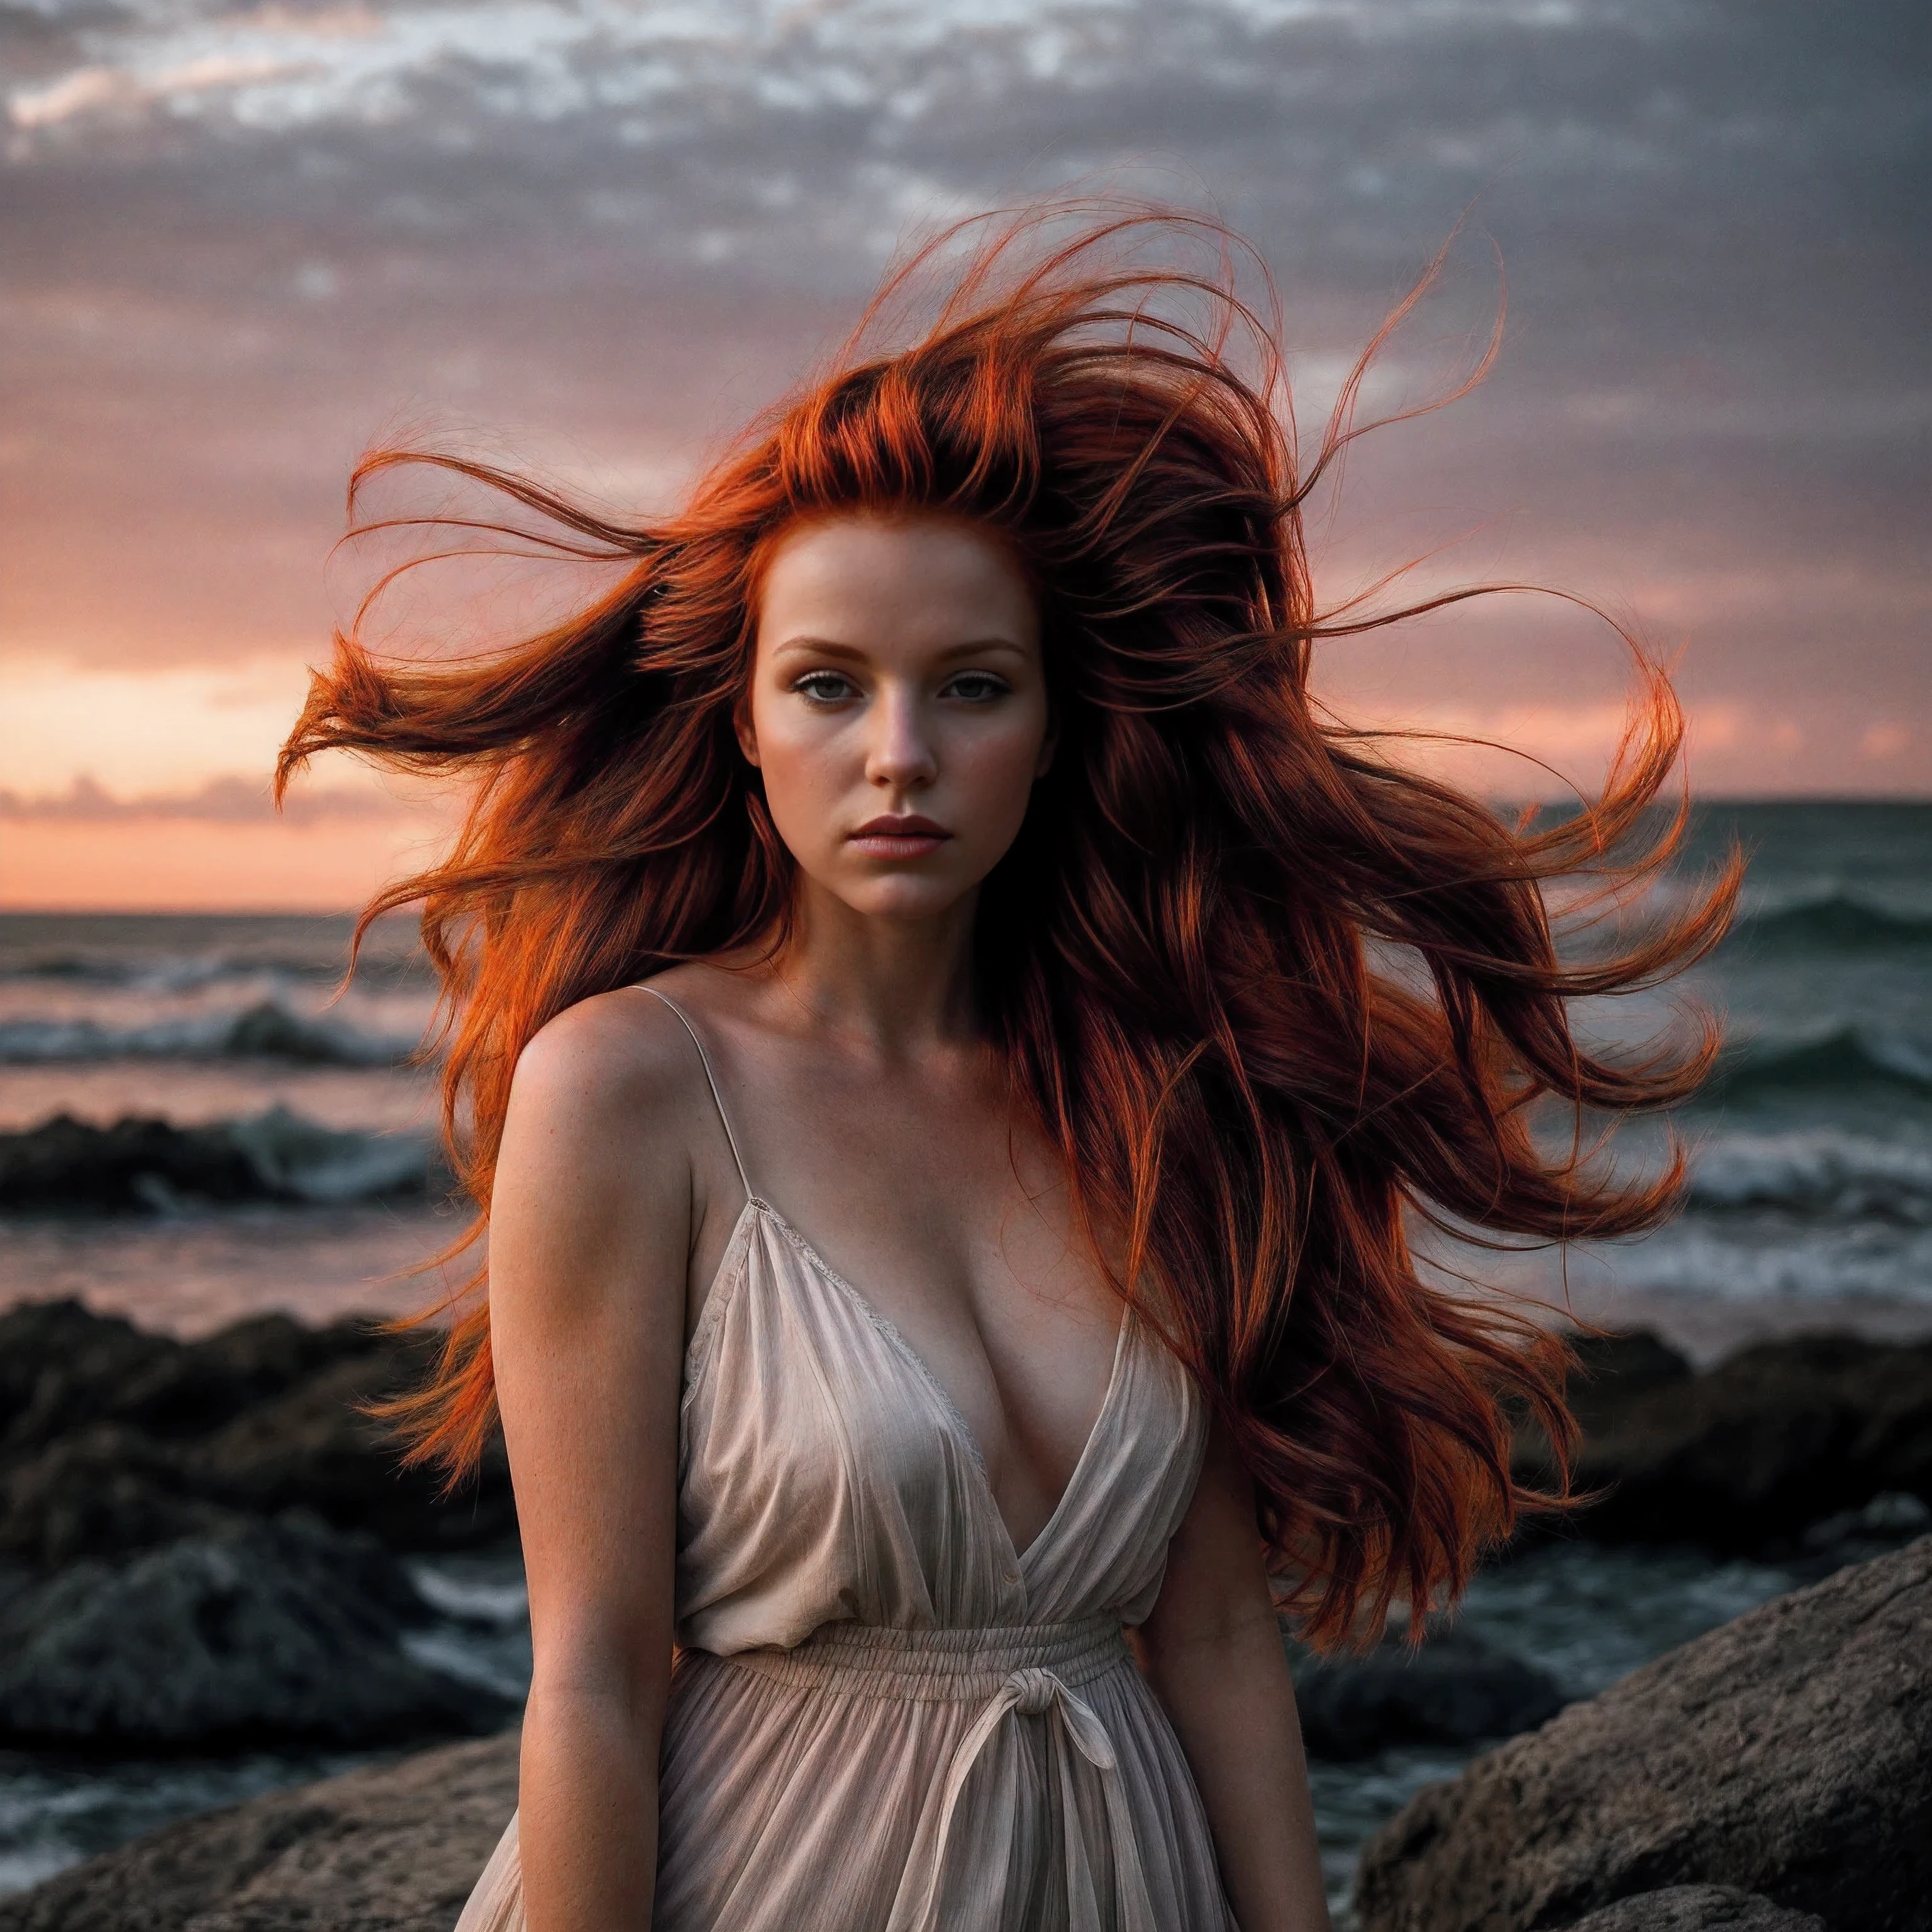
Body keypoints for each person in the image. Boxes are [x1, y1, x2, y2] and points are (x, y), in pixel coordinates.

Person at [280, 208, 1731, 1932]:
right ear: (744, 720)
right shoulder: (629, 1088)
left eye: (970, 687)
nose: (900, 756)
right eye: (829, 685)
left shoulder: (1160, 1087)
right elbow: (596, 1676)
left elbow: (1211, 1639)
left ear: (1053, 726)